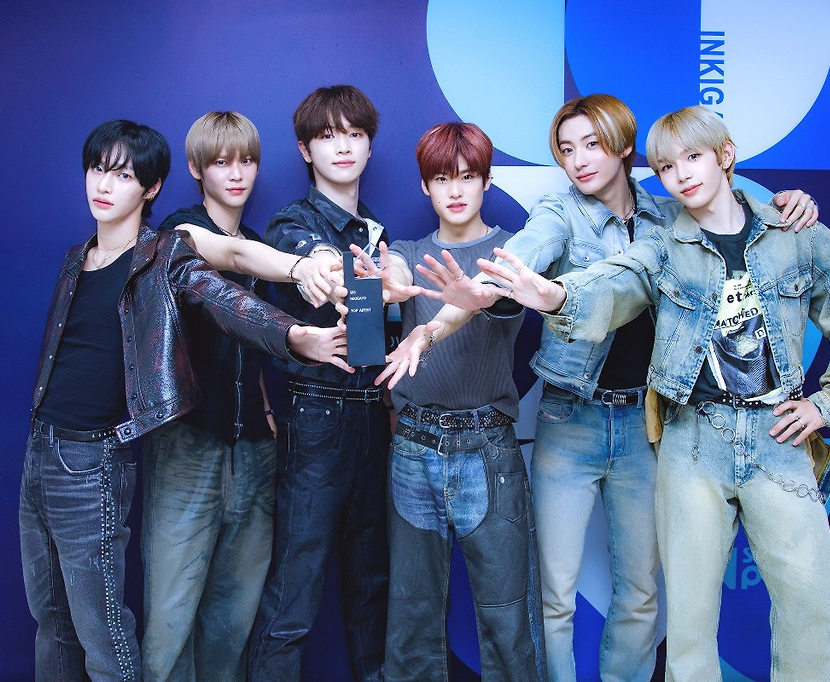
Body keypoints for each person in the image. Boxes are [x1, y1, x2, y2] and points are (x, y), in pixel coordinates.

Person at [380, 94, 818, 682]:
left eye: (592, 144)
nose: (579, 160)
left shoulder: (670, 217)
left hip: (646, 425)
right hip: (569, 421)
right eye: (566, 149)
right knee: (552, 595)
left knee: (640, 591)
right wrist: (440, 323)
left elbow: (732, 211)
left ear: (624, 146)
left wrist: (787, 203)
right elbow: (512, 267)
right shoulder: (558, 214)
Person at [479, 105, 830, 681]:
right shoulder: (662, 244)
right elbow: (614, 283)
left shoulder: (796, 235)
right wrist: (553, 295)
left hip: (778, 439)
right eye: (666, 166)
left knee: (813, 610)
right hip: (691, 440)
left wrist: (826, 403)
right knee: (689, 627)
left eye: (694, 157)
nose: (681, 174)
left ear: (726, 155)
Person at [19, 119, 348, 682]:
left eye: (124, 175)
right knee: (52, 620)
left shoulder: (164, 253)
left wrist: (293, 333)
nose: (105, 185)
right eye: (98, 170)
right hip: (42, 453)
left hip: (96, 462)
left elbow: (227, 293)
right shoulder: (76, 260)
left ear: (151, 188)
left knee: (109, 635)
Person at [140, 111, 340, 682]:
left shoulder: (258, 241)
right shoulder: (178, 233)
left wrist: (267, 410)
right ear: (196, 169)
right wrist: (301, 268)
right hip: (188, 444)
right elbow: (230, 261)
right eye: (222, 162)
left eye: (247, 161)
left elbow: (250, 337)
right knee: (171, 616)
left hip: (252, 445)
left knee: (234, 615)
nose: (236, 174)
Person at [352, 122, 545, 680]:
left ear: (486, 181)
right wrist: (382, 286)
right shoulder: (408, 252)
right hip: (414, 447)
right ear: (425, 186)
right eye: (441, 178)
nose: (455, 190)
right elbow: (389, 282)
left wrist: (455, 312)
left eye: (467, 176)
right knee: (411, 617)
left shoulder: (512, 251)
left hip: (488, 449)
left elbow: (500, 300)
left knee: (509, 615)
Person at [246, 85, 395, 681]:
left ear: (369, 146)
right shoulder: (292, 221)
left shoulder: (376, 232)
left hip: (374, 417)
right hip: (317, 419)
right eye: (327, 136)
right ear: (306, 150)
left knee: (373, 589)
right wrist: (328, 270)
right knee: (294, 588)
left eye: (354, 134)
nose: (343, 147)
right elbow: (315, 261)